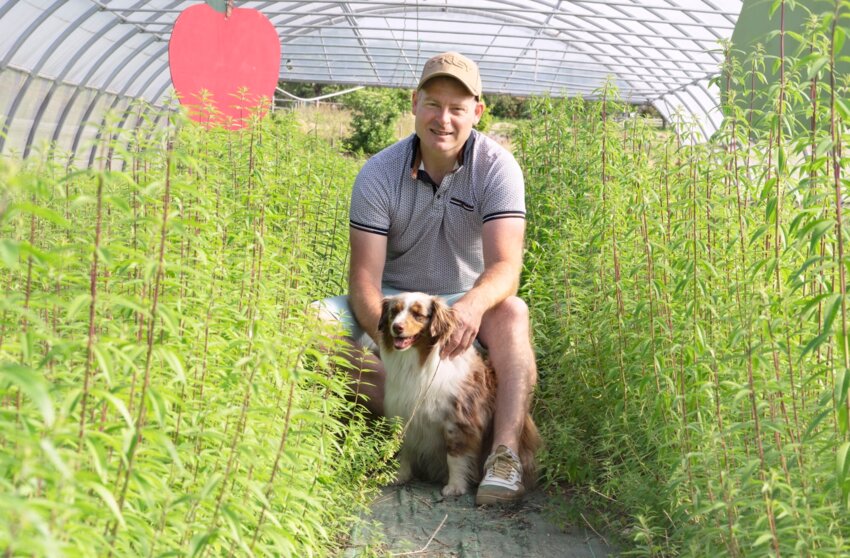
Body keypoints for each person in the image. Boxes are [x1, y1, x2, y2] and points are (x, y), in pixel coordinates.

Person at [315, 51, 536, 505]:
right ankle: (410, 423)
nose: (444, 119)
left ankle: (503, 455)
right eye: (433, 104)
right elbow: (363, 280)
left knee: (513, 312)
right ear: (414, 103)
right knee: (305, 325)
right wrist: (386, 344)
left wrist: (470, 308)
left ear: (477, 112)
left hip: (462, 296)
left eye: (457, 108)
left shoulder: (497, 169)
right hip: (394, 300)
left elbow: (505, 268)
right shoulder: (378, 173)